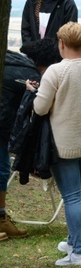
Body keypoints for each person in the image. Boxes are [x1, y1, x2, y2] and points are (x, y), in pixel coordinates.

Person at [30, 22, 81, 266]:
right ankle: (74, 241)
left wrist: (34, 92)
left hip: (64, 144)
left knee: (72, 197)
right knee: (77, 194)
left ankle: (79, 253)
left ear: (61, 43)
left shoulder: (55, 71)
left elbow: (40, 108)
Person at [0, 50, 41, 240]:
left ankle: (2, 219)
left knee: (2, 169)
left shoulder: (14, 62)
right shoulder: (31, 73)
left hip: (4, 125)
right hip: (3, 125)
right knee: (1, 170)